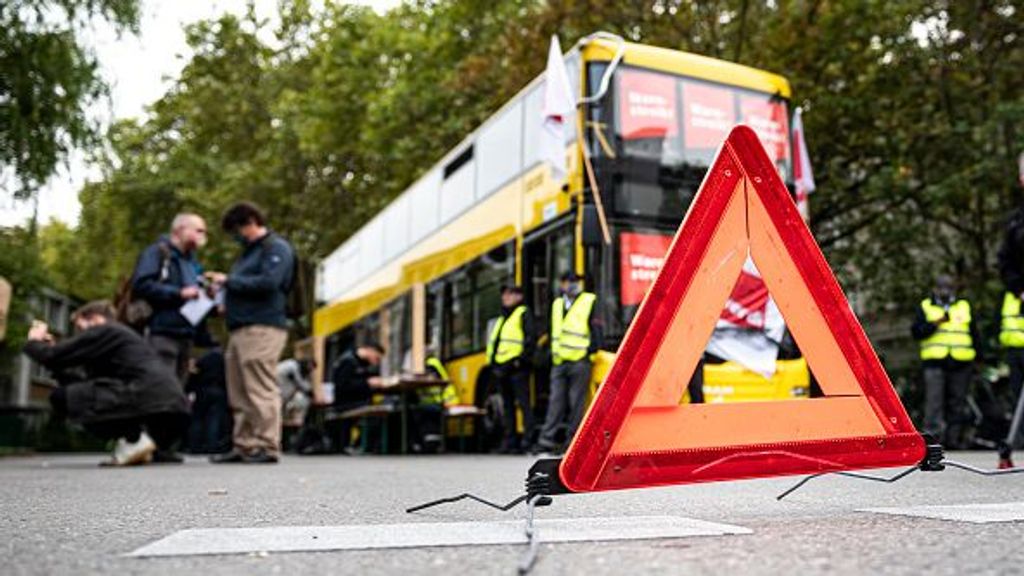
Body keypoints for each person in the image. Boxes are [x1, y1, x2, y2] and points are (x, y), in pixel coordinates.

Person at [22, 301, 188, 466]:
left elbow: (52, 356)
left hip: (151, 403)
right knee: (78, 392)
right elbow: (81, 380)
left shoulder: (105, 331)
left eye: (80, 327)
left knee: (62, 397)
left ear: (94, 319)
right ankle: (153, 446)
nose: (79, 334)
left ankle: (133, 439)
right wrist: (56, 359)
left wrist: (34, 341)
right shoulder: (122, 338)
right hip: (171, 411)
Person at [206, 202, 295, 464]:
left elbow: (270, 283)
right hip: (239, 328)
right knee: (239, 390)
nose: (236, 236)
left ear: (251, 222)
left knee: (260, 387)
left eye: (237, 230)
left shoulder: (276, 248)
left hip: (263, 327)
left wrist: (228, 281)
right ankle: (245, 444)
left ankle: (267, 445)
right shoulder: (247, 254)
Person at [131, 213, 207, 386]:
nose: (203, 236)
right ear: (180, 230)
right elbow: (141, 285)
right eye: (198, 231)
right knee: (160, 389)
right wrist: (178, 293)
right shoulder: (157, 253)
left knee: (177, 392)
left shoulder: (191, 262)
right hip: (161, 332)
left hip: (185, 335)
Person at [535, 272, 602, 454]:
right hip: (559, 361)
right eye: (568, 281)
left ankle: (573, 442)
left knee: (576, 403)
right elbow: (553, 331)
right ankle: (546, 441)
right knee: (555, 401)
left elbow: (596, 328)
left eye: (576, 281)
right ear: (562, 284)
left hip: (579, 361)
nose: (572, 285)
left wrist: (592, 351)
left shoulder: (589, 300)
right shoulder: (557, 304)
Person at [910, 274, 979, 449]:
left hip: (961, 361)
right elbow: (916, 333)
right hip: (935, 362)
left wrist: (980, 358)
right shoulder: (926, 306)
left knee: (958, 401)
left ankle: (954, 440)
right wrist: (936, 323)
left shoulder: (963, 306)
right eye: (942, 288)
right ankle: (933, 441)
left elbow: (975, 333)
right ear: (935, 289)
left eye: (949, 288)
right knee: (934, 402)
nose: (945, 291)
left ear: (954, 289)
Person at [996, 151, 1024, 466]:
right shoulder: (1016, 222)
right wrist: (1020, 289)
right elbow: (1004, 263)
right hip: (1019, 326)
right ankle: (1011, 448)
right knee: (1019, 390)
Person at [487, 285, 536, 453]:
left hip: (517, 368)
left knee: (523, 404)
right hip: (502, 369)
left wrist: (519, 362)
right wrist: (494, 365)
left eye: (509, 294)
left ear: (519, 296)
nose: (505, 297)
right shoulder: (503, 318)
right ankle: (510, 442)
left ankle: (528, 441)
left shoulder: (523, 313)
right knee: (507, 407)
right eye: (504, 295)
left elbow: (530, 341)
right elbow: (496, 343)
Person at [185, 347, 232, 454]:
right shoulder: (223, 359)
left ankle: (194, 445)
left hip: (202, 390)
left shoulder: (202, 360)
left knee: (197, 419)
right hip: (219, 390)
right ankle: (212, 445)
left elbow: (194, 375)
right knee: (214, 419)